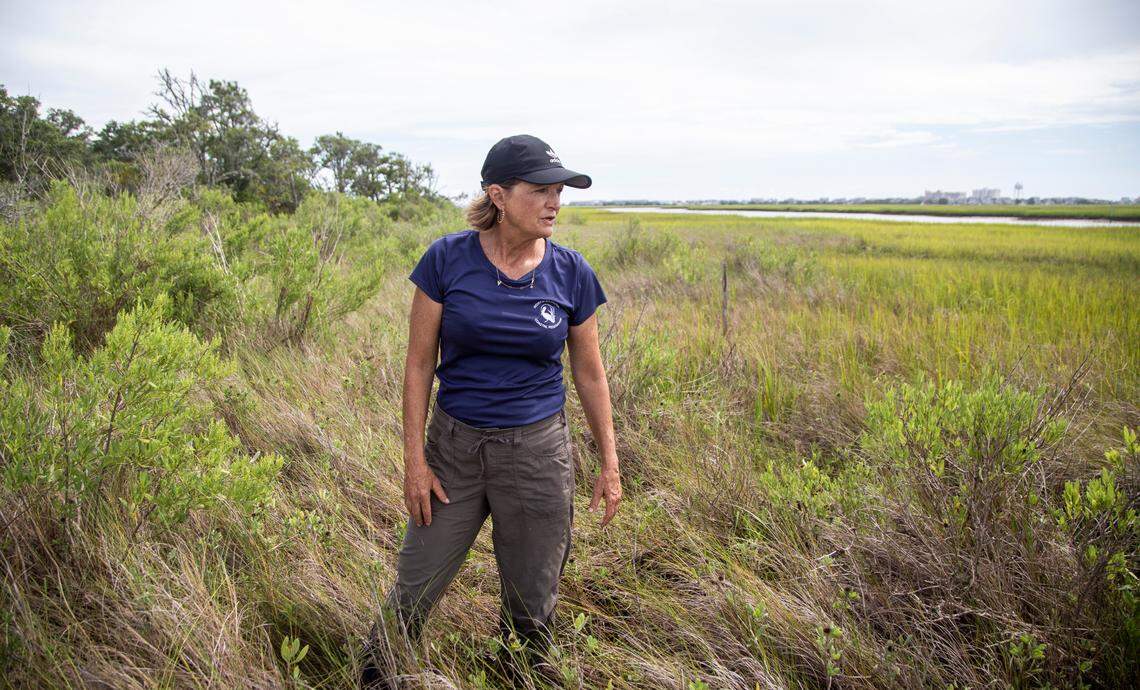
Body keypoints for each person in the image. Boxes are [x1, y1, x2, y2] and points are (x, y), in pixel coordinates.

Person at [360, 135, 623, 687]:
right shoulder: (446, 259)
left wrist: (610, 463)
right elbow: (417, 366)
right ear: (498, 196)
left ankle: (515, 677)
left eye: (559, 191)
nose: (555, 202)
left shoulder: (571, 272)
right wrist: (414, 462)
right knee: (411, 591)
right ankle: (373, 678)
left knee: (531, 608)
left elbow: (590, 374)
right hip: (454, 451)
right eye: (541, 191)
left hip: (536, 456)